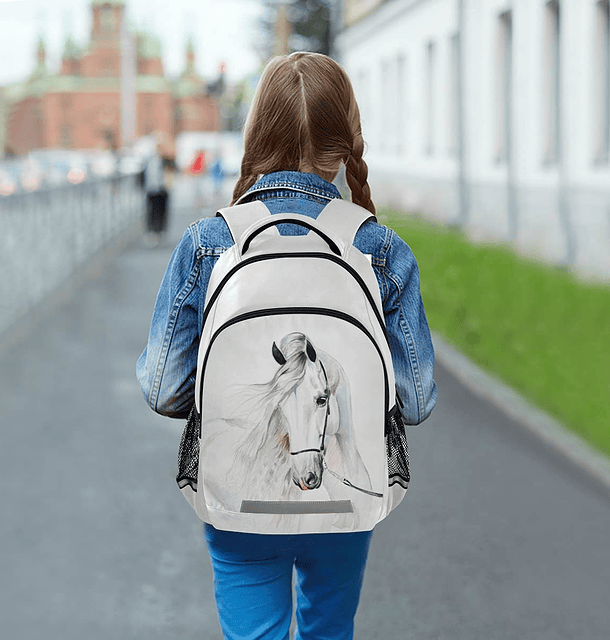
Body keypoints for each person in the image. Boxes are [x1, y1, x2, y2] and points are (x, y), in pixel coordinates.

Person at [136, 51, 437, 640]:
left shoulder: (209, 242)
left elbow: (161, 388)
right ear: (346, 140)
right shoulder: (381, 249)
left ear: (256, 131)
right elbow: (417, 400)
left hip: (237, 494)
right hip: (345, 500)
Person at [143, 145, 171, 247]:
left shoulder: (166, 160)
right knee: (151, 211)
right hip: (151, 190)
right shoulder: (148, 161)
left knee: (161, 211)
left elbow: (171, 172)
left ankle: (160, 231)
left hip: (162, 190)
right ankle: (152, 232)